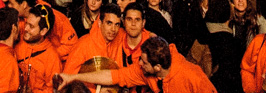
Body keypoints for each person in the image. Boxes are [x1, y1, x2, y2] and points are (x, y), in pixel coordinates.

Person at [56, 34, 218, 92]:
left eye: (143, 62)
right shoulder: (145, 70)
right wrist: (72, 77)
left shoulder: (192, 75)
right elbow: (113, 76)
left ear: (157, 68)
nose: (139, 63)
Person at [16, 3, 63, 93]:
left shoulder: (52, 58)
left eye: (31, 26)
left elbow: (53, 90)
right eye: (26, 23)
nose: (26, 28)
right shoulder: (17, 41)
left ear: (43, 31)